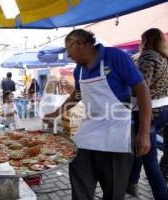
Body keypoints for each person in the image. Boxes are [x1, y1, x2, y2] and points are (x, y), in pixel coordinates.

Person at [44, 29, 151, 200]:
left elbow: (142, 89)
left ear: (80, 43)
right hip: (88, 135)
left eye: (68, 49)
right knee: (80, 185)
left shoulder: (115, 57)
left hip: (116, 135)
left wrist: (144, 133)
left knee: (113, 191)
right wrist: (54, 113)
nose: (68, 55)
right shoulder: (78, 70)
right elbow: (76, 96)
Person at [127, 28, 168, 199]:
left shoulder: (147, 57)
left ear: (145, 40)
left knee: (148, 159)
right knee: (140, 149)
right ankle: (133, 183)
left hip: (148, 112)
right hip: (164, 110)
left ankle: (161, 195)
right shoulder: (165, 59)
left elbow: (140, 88)